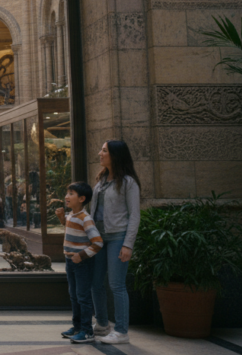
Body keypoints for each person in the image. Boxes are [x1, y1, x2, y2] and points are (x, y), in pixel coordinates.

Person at [89, 140, 141, 345]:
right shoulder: (101, 180)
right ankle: (102, 324)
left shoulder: (129, 182)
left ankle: (121, 331)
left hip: (118, 237)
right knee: (95, 283)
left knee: (116, 285)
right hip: (98, 239)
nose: (100, 153)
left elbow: (134, 215)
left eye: (104, 150)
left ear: (115, 155)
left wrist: (128, 244)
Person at [55, 182, 103, 344]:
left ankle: (87, 331)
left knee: (83, 297)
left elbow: (97, 243)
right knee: (74, 295)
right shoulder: (71, 216)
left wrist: (81, 255)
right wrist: (62, 218)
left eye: (71, 194)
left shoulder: (85, 218)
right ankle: (77, 327)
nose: (66, 197)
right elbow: (69, 227)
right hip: (70, 262)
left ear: (82, 199)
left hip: (82, 263)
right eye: (67, 193)